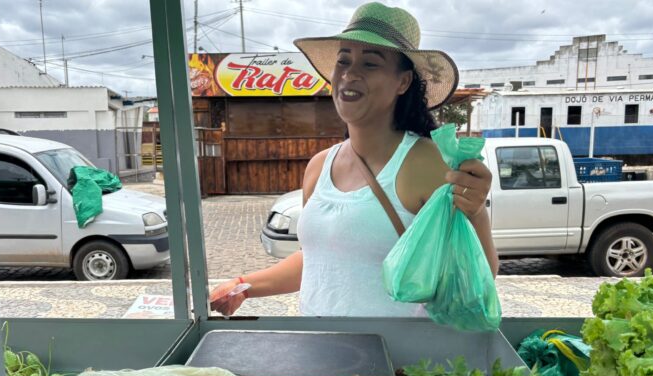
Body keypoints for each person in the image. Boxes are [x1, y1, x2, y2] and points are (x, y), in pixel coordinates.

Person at [210, 2, 497, 317]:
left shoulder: (426, 162)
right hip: (320, 346)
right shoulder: (319, 165)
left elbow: (475, 277)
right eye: (343, 61)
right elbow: (317, 261)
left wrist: (476, 213)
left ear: (402, 82)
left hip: (396, 350)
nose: (349, 74)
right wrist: (243, 286)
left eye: (370, 63)